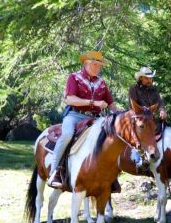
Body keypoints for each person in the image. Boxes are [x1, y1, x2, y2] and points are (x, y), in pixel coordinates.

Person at [47, 50, 118, 188]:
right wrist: (93, 103)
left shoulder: (101, 82)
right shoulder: (74, 77)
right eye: (95, 65)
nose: (98, 68)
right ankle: (55, 171)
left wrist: (119, 113)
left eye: (100, 65)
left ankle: (109, 175)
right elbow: (70, 99)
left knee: (111, 138)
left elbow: (111, 103)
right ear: (86, 63)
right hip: (75, 115)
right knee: (67, 135)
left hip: (97, 119)